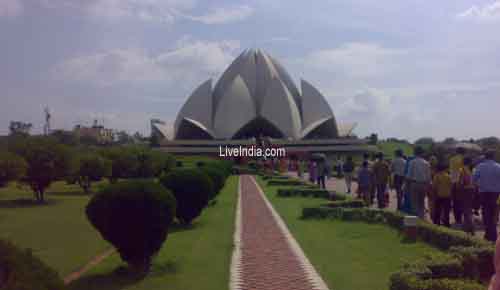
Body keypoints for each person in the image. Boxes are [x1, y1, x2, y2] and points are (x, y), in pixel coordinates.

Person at [473, 150, 500, 242]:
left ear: (485, 157)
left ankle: (489, 234)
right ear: (493, 156)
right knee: (495, 213)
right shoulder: (498, 167)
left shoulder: (479, 167)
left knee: (486, 213)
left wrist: (481, 184)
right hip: (496, 194)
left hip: (483, 193)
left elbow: (474, 180)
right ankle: (493, 234)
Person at [406, 146, 431, 219]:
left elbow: (409, 176)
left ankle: (416, 220)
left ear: (415, 153)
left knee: (414, 203)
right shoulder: (426, 163)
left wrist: (406, 186)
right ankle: (422, 218)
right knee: (421, 203)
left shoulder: (412, 162)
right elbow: (428, 177)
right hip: (423, 184)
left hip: (414, 183)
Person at [460, 157, 476, 235]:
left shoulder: (462, 170)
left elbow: (461, 182)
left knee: (466, 209)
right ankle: (466, 225)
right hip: (472, 189)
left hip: (465, 190)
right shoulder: (473, 169)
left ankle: (470, 227)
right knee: (469, 208)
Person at [450, 147, 466, 224]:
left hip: (453, 182)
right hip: (462, 183)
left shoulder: (452, 159)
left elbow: (452, 170)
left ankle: (457, 218)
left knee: (455, 201)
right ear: (463, 152)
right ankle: (461, 217)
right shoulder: (464, 160)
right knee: (462, 201)